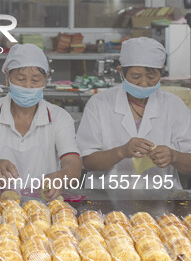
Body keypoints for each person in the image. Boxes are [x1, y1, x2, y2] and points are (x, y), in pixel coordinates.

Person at [0, 44, 82, 200]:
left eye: (35, 80)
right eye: (20, 79)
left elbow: (73, 165)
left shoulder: (59, 117)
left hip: (42, 206)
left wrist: (61, 176)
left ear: (45, 80)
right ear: (7, 77)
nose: (27, 86)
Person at [77, 37, 191, 189]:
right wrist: (121, 152)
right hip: (106, 198)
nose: (143, 83)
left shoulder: (173, 105)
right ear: (121, 72)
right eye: (135, 77)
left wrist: (173, 156)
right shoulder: (100, 104)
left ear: (162, 71)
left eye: (151, 77)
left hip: (162, 199)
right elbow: (86, 162)